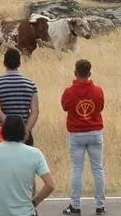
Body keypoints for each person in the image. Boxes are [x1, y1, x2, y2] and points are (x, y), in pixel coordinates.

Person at [0, 116, 55, 216]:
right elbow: (50, 185)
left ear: (3, 131)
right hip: (25, 212)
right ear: (23, 132)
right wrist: (35, 201)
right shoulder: (35, 154)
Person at [60, 59, 105, 215]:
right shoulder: (98, 91)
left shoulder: (69, 92)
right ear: (90, 73)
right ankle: (100, 205)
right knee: (98, 169)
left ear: (75, 73)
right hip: (95, 133)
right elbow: (100, 107)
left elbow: (65, 106)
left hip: (76, 134)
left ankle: (75, 205)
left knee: (77, 170)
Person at [0, 49, 39, 147]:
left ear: (4, 63)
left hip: (4, 132)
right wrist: (25, 131)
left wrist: (10, 127)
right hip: (25, 133)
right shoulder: (30, 84)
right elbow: (35, 111)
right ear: (19, 63)